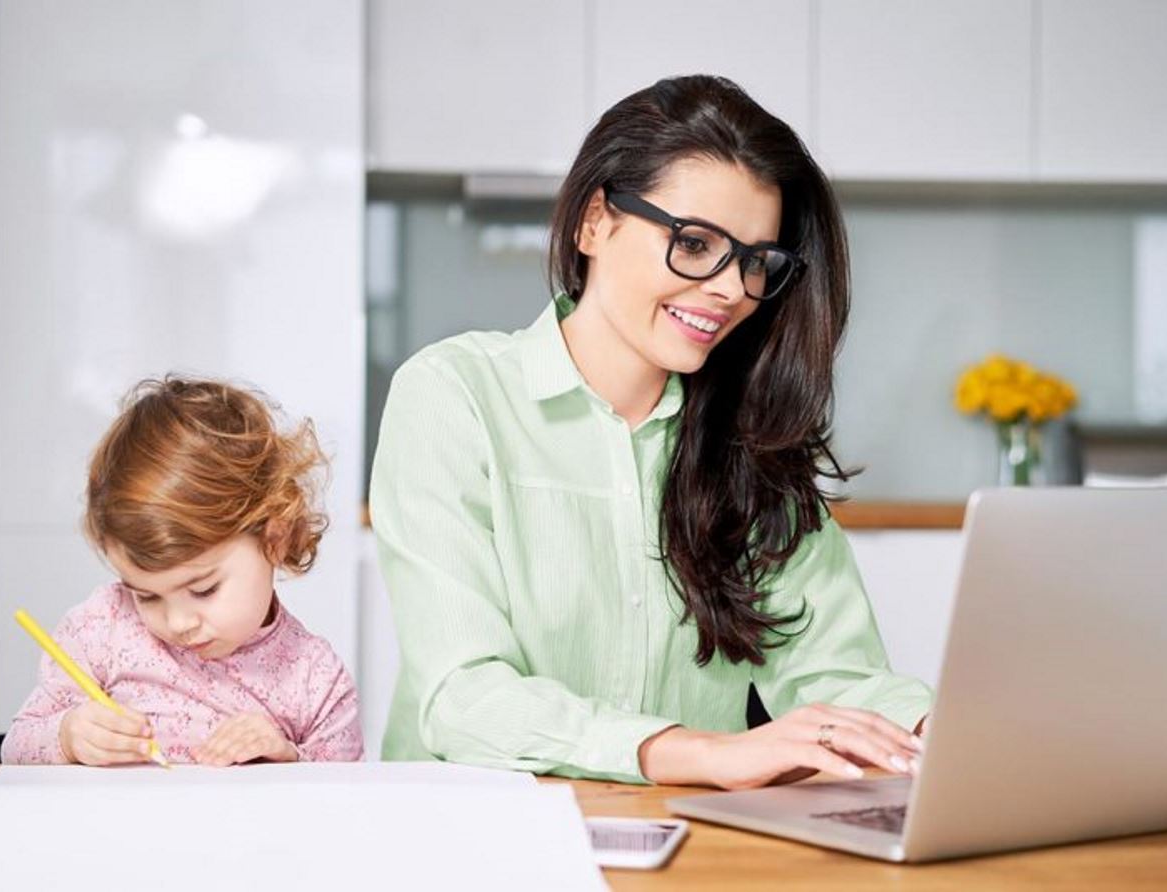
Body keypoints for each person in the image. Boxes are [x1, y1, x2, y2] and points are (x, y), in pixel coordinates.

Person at [370, 75, 931, 788]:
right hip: (476, 835)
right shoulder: (455, 397)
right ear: (594, 222)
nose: (731, 289)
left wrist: (931, 732)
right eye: (695, 244)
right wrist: (700, 753)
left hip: (682, 842)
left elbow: (838, 678)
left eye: (756, 262)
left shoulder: (752, 447)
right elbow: (462, 698)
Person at [2, 376, 363, 766]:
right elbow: (14, 747)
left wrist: (288, 759)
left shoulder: (314, 678)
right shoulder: (101, 628)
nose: (177, 622)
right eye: (147, 595)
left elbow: (345, 800)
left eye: (204, 589)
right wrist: (68, 737)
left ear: (274, 537)